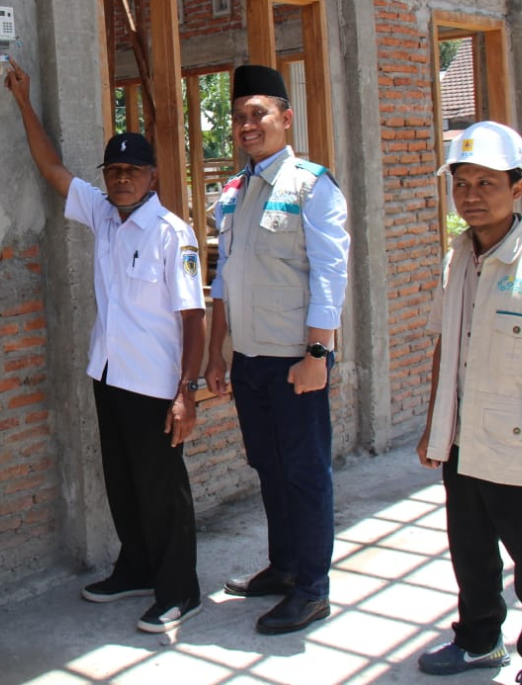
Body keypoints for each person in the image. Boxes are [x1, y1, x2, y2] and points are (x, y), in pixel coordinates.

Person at [4, 59, 206, 634]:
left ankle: (179, 591)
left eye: (131, 171)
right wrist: (23, 99)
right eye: (113, 170)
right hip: (110, 376)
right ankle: (137, 568)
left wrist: (186, 394)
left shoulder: (173, 235)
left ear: (152, 177)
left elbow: (194, 318)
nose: (120, 179)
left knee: (164, 491)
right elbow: (52, 168)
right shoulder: (104, 215)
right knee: (122, 482)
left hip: (155, 385)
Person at [415, 121, 522, 685]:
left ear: (518, 189)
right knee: (471, 555)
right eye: (461, 183)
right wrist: (434, 425)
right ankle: (480, 640)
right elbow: (446, 343)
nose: (470, 196)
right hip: (464, 440)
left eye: (486, 183)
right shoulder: (458, 257)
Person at [204, 63, 350, 635]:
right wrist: (217, 354)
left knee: (306, 473)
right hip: (250, 361)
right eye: (239, 116)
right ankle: (284, 567)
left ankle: (313, 589)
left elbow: (330, 274)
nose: (247, 124)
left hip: (296, 360)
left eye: (258, 113)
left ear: (285, 120)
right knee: (269, 467)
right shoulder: (233, 193)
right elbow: (224, 281)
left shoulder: (312, 184)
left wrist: (317, 355)